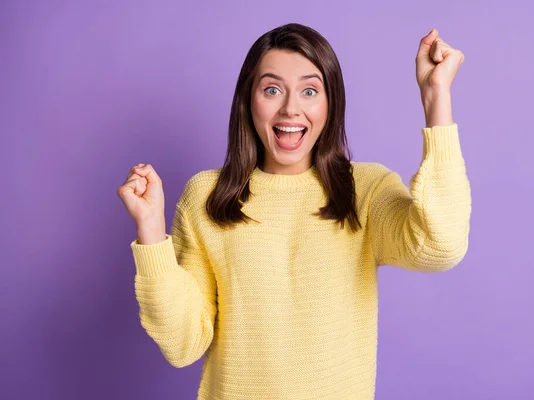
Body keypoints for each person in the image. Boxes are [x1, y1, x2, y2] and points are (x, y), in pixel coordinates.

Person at [117, 22, 470, 400]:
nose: (290, 108)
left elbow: (441, 245)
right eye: (272, 90)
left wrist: (436, 98)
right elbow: (183, 343)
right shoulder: (207, 196)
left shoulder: (364, 190)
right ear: (248, 100)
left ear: (330, 102)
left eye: (309, 91)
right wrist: (151, 230)